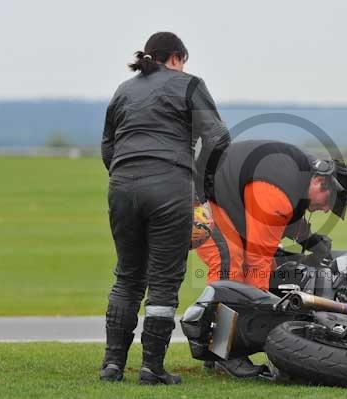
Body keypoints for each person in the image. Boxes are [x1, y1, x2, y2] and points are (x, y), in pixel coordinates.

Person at [99, 32, 230, 385]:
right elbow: (218, 138)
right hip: (170, 186)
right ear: (176, 57)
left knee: (127, 276)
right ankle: (152, 367)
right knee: (163, 281)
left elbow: (108, 146)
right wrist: (200, 188)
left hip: (121, 186)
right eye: (183, 61)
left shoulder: (124, 90)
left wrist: (125, 176)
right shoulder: (190, 84)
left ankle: (111, 365)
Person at [195, 139, 347, 377]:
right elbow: (258, 259)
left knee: (255, 268)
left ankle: (219, 349)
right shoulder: (279, 190)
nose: (326, 211)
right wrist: (267, 314)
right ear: (320, 182)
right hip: (195, 198)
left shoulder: (299, 177)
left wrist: (310, 241)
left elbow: (285, 219)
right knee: (230, 265)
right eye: (329, 204)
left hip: (222, 198)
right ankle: (223, 352)